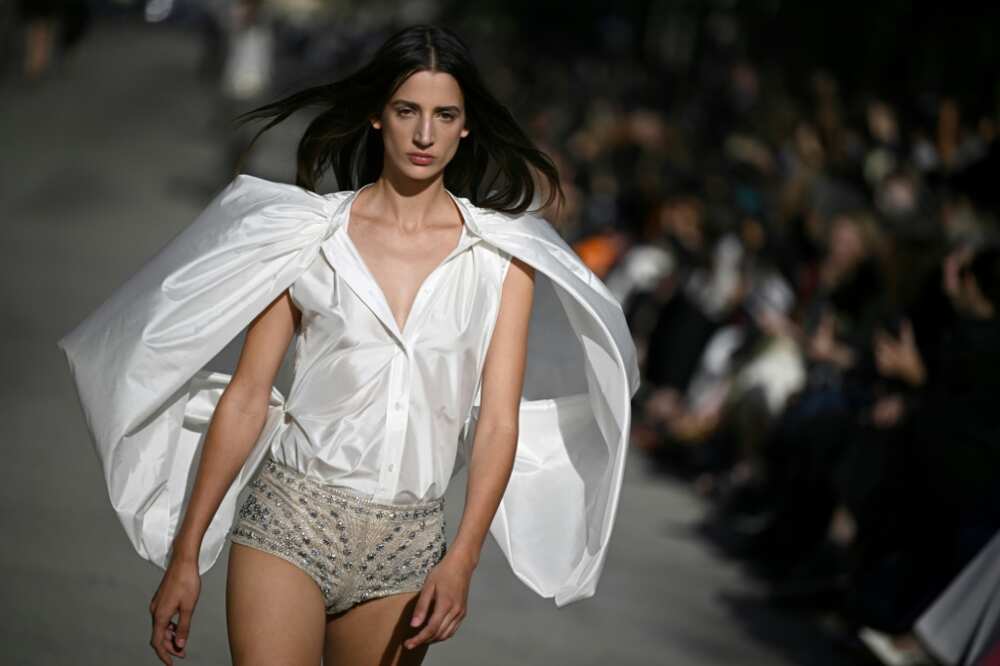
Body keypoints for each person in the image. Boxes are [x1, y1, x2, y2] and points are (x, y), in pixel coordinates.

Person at [55, 24, 639, 666]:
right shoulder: (307, 235)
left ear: (466, 126)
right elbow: (249, 398)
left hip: (408, 543)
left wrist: (463, 557)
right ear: (377, 115)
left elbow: (498, 422)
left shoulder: (501, 261)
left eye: (445, 115)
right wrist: (186, 557)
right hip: (290, 517)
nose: (425, 135)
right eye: (407, 111)